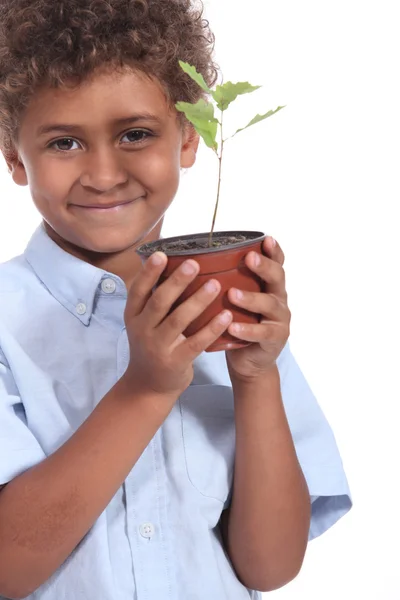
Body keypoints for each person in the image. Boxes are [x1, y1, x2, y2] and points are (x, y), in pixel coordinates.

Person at [0, 1, 352, 598]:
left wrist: (257, 376)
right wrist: (148, 387)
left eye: (136, 134)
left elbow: (270, 568)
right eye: (64, 143)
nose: (104, 174)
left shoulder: (236, 312)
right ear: (15, 158)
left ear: (188, 138)